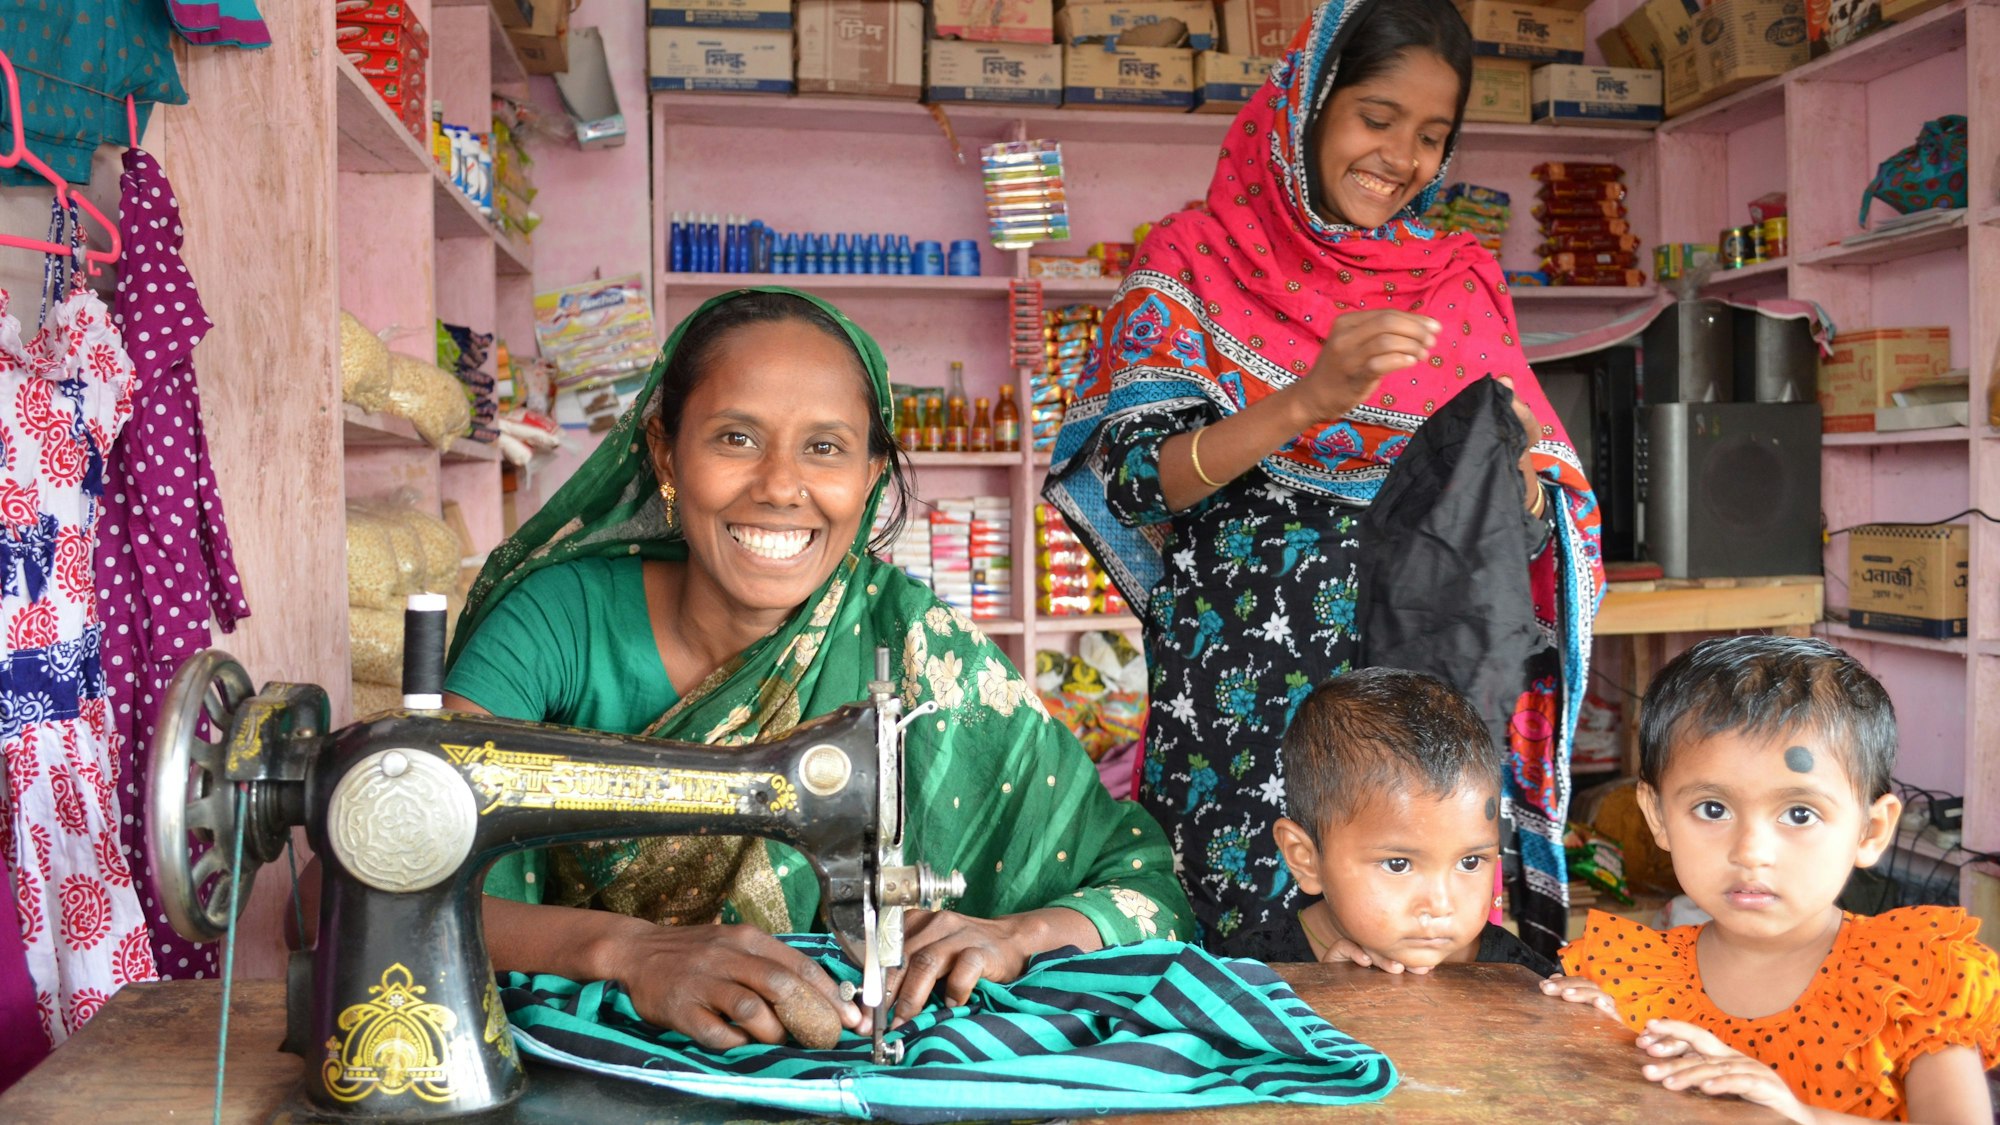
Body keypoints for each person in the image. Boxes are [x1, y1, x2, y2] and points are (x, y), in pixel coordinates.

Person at [443, 288, 1194, 1050]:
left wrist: (1018, 933)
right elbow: (407, 863)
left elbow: (1144, 889)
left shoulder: (919, 648)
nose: (778, 485)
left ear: (871, 473)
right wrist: (625, 950)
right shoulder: (555, 623)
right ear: (666, 449)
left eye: (826, 447)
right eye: (736, 438)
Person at [1042, 0, 1603, 960]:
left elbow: (1544, 505)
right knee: (1234, 984)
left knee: (1413, 981)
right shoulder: (1193, 257)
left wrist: (1516, 490)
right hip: (1240, 702)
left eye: (1433, 136)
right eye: (1378, 119)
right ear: (1306, 105)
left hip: (1415, 712)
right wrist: (1311, 397)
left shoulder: (1457, 279)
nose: (1403, 158)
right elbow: (1137, 480)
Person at [1547, 636, 2000, 1122]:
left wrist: (1798, 1116)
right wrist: (1589, 1047)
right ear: (1658, 816)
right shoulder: (1624, 980)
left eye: (1800, 814)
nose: (1751, 852)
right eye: (1713, 809)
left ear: (1870, 831)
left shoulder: (1916, 977)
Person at [1251, 668, 1557, 975]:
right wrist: (1324, 998)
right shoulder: (1247, 979)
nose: (1440, 905)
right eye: (1398, 864)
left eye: (1470, 862)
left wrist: (1581, 1013)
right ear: (1305, 858)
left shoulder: (1520, 976)